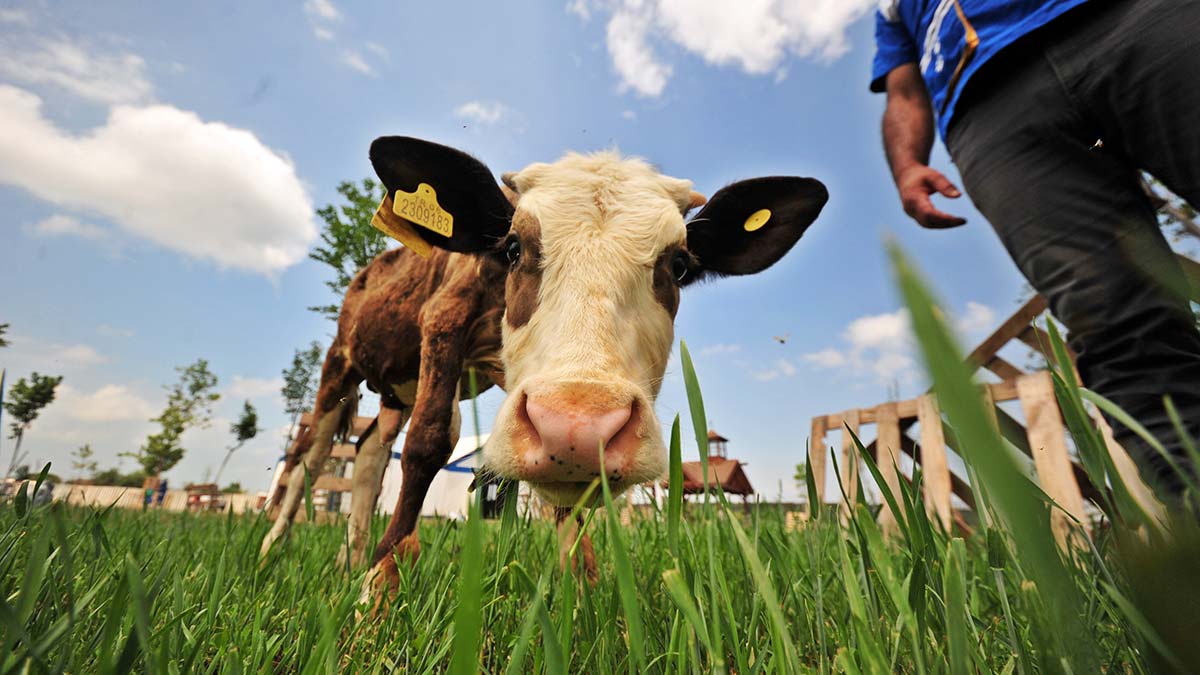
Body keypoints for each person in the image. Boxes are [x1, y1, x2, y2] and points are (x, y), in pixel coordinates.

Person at [872, 0, 1200, 498]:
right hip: (987, 108)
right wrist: (906, 166)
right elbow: (903, 89)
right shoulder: (891, 8)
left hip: (1136, 18)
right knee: (1114, 323)